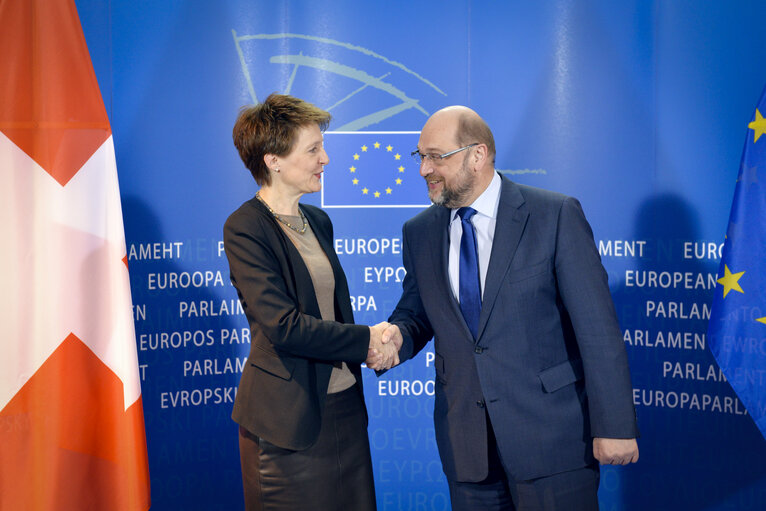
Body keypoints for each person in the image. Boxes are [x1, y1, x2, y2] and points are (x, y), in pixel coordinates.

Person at [381, 105, 639, 510]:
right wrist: (396, 335)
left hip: (552, 444)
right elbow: (417, 313)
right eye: (421, 156)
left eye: (436, 156)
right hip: (467, 450)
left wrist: (615, 426)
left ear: (477, 155)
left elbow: (596, 330)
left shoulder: (553, 215)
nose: (424, 169)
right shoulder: (420, 231)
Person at [223, 93, 397, 511]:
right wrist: (366, 340)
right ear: (273, 160)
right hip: (287, 424)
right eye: (314, 149)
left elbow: (330, 311)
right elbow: (283, 326)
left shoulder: (318, 221)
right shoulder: (245, 228)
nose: (326, 159)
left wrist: (373, 343)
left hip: (343, 411)